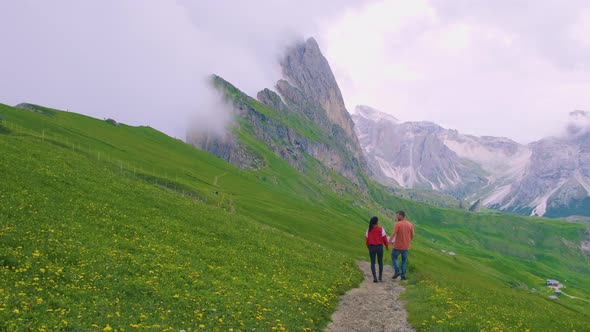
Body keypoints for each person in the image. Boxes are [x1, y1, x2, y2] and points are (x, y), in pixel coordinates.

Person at [390, 211, 414, 280]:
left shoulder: (398, 224)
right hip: (406, 246)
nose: (396, 217)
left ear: (401, 216)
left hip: (397, 246)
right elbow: (412, 235)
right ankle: (403, 276)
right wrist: (409, 241)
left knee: (394, 257)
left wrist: (389, 242)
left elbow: (393, 233)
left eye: (397, 215)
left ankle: (397, 271)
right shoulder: (410, 224)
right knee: (404, 261)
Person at [365, 216, 389, 283]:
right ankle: (380, 277)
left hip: (372, 247)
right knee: (380, 262)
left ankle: (375, 278)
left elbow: (367, 240)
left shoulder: (368, 230)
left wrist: (368, 247)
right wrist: (387, 246)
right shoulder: (381, 229)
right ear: (376, 222)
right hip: (379, 247)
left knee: (372, 262)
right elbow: (384, 239)